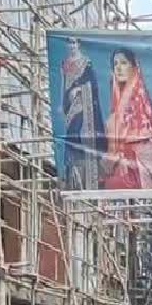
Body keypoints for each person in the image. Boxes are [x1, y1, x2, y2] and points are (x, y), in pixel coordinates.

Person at [101, 49, 152, 190]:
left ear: (134, 68)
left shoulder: (143, 112)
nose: (118, 68)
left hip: (140, 181)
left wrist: (127, 154)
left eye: (123, 63)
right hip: (117, 186)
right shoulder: (115, 113)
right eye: (115, 64)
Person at [60, 37, 106, 191]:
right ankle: (72, 173)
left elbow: (92, 84)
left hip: (84, 104)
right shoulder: (65, 63)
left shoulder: (86, 63)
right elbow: (64, 85)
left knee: (81, 133)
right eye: (69, 43)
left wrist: (79, 89)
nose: (72, 45)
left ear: (78, 44)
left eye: (74, 42)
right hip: (70, 105)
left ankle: (89, 174)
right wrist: (66, 100)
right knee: (71, 136)